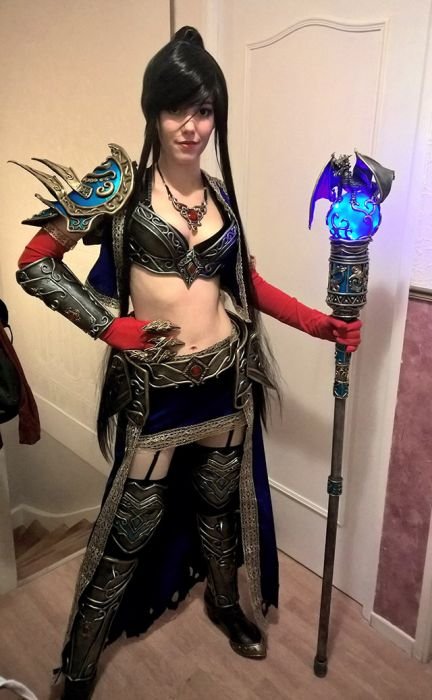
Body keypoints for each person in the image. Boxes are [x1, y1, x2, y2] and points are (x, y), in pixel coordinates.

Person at [15, 27, 361, 700]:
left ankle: (225, 603)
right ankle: (79, 663)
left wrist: (322, 325)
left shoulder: (222, 198)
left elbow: (248, 287)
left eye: (203, 110)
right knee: (129, 529)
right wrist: (108, 326)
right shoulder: (118, 189)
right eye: (177, 108)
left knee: (219, 510)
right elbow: (35, 264)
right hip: (160, 393)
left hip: (226, 385)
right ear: (153, 110)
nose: (191, 126)